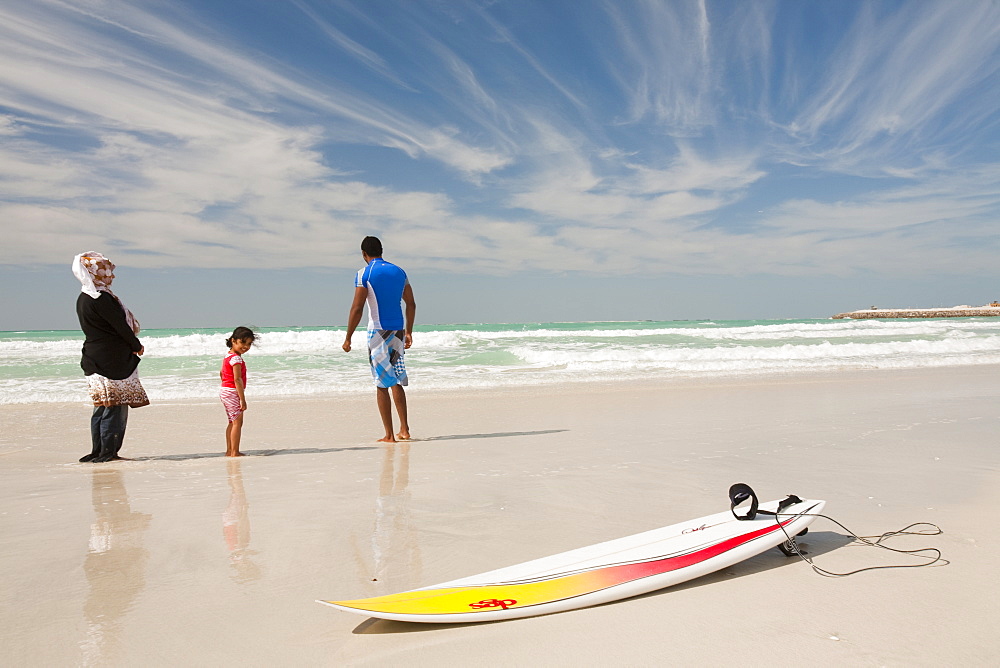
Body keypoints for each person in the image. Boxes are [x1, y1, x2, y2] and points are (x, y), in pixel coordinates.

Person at [73, 252, 149, 463]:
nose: (112, 276)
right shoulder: (102, 298)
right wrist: (136, 345)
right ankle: (108, 452)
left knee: (102, 406)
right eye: (106, 271)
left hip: (93, 357)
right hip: (111, 360)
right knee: (115, 406)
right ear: (93, 273)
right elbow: (120, 327)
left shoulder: (84, 297)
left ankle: (98, 451)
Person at [342, 236, 416, 442]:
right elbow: (411, 304)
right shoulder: (400, 272)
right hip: (398, 330)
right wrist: (409, 331)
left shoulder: (364, 273)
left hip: (378, 332)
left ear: (364, 254)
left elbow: (357, 308)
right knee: (396, 379)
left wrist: (348, 336)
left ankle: (389, 435)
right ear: (381, 250)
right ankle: (405, 429)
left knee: (381, 383)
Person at [220, 327, 256, 457]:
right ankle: (235, 452)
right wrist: (242, 399)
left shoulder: (228, 356)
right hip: (232, 392)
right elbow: (237, 379)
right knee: (237, 423)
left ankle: (230, 450)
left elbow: (221, 373)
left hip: (225, 390)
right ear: (233, 340)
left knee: (232, 421)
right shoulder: (236, 359)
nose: (246, 347)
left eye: (249, 344)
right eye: (243, 343)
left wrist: (225, 387)